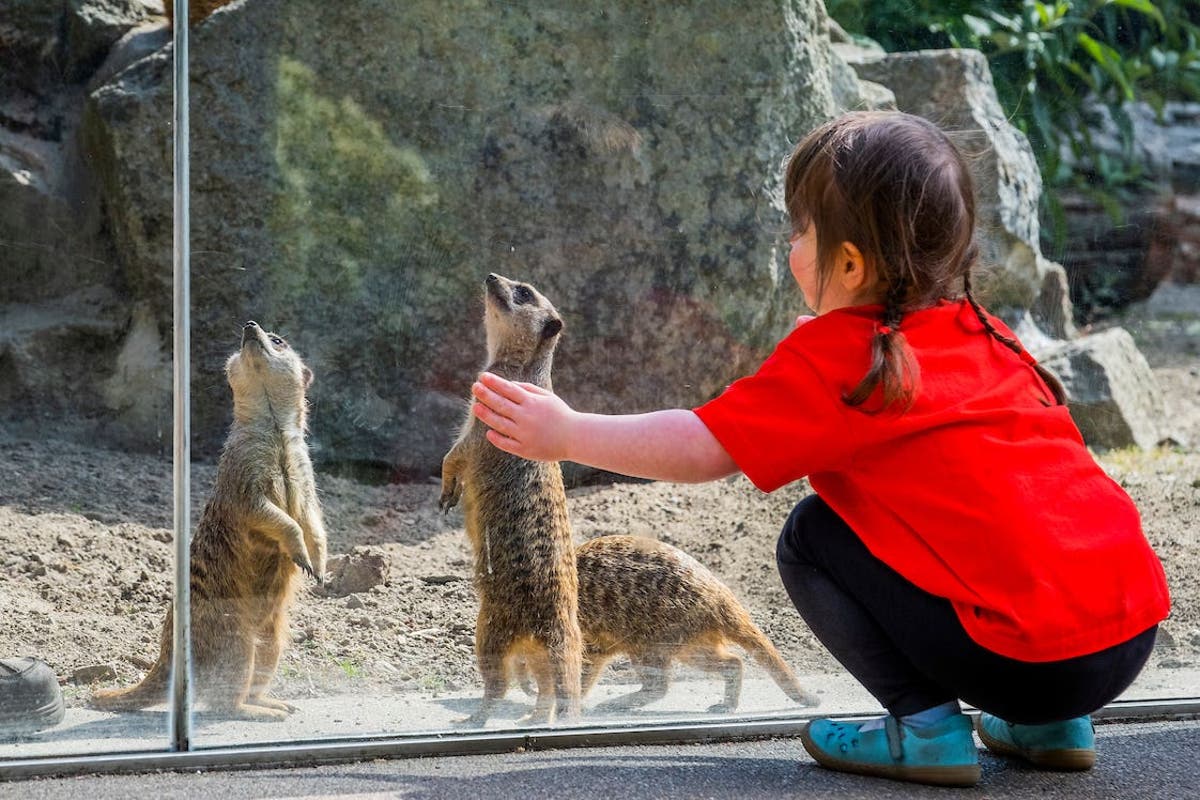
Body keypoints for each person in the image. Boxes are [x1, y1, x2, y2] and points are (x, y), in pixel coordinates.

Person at [467, 110, 1171, 788]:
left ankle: (926, 733)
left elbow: (705, 447)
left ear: (852, 264)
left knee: (813, 535)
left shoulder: (838, 359)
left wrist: (567, 432)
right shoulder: (988, 333)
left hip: (1013, 660)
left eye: (800, 231)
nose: (790, 247)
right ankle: (1054, 730)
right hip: (1124, 641)